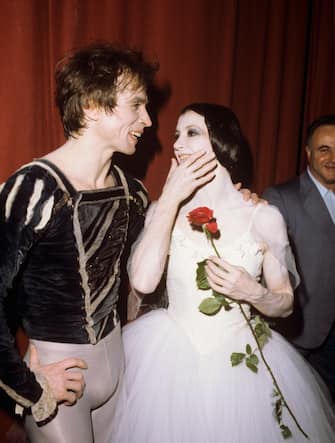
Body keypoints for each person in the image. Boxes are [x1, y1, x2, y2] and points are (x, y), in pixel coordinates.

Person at [114, 103, 335, 442]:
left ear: (221, 142)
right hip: (169, 363)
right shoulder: (163, 209)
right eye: (176, 135)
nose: (176, 144)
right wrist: (169, 200)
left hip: (241, 368)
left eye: (191, 133)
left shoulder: (264, 216)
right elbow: (142, 281)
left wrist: (253, 292)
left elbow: (286, 304)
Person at [0, 42, 165, 443]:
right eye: (136, 105)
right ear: (92, 105)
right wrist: (28, 385)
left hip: (119, 367)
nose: (148, 119)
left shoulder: (132, 192)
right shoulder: (32, 187)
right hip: (61, 377)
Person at [263, 115, 335, 402]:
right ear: (308, 153)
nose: (332, 158)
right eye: (324, 149)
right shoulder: (280, 197)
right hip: (301, 336)